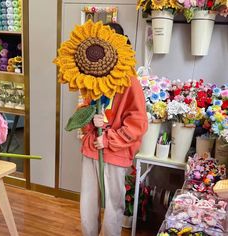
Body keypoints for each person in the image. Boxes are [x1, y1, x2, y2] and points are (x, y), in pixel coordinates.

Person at [80, 22, 148, 236]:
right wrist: (91, 120)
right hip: (92, 149)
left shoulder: (129, 81)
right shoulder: (92, 75)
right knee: (87, 206)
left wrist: (109, 139)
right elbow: (84, 109)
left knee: (113, 208)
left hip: (116, 153)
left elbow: (138, 122)